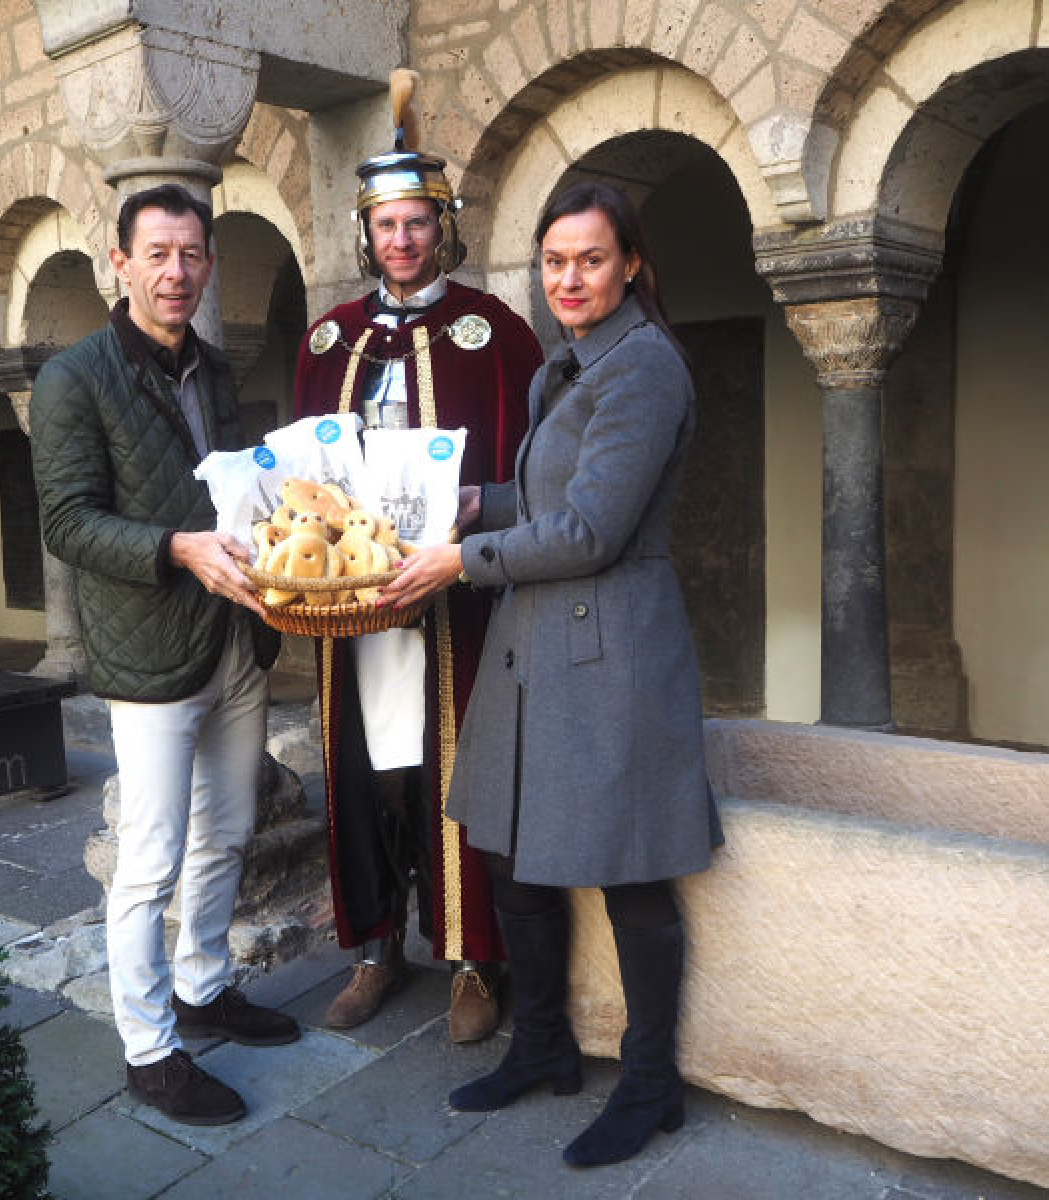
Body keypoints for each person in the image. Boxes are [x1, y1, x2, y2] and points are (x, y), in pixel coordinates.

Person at [381, 180, 723, 1168]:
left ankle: (651, 1086)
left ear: (630, 267)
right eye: (553, 261)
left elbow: (588, 530)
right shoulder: (564, 368)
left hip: (610, 648)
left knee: (630, 877)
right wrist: (467, 504)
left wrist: (459, 561)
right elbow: (542, 496)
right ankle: (542, 1048)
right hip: (534, 642)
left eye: (588, 259)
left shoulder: (644, 369)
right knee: (502, 851)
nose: (567, 278)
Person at [30, 183, 298, 1128]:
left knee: (227, 832)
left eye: (191, 255)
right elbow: (65, 522)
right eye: (158, 254)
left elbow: (242, 494)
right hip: (150, 651)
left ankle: (203, 986)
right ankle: (150, 1047)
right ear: (122, 262)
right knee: (149, 860)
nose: (176, 272)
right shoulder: (75, 378)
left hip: (235, 639)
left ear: (207, 264)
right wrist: (176, 549)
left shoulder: (218, 374)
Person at [293, 74, 540, 1043]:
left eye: (417, 223)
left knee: (454, 771)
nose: (401, 240)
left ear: (444, 227)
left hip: (456, 600)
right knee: (369, 774)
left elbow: (530, 469)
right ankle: (373, 944)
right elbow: (302, 472)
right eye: (386, 226)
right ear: (367, 234)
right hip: (350, 602)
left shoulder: (495, 333)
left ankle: (472, 958)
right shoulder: (329, 337)